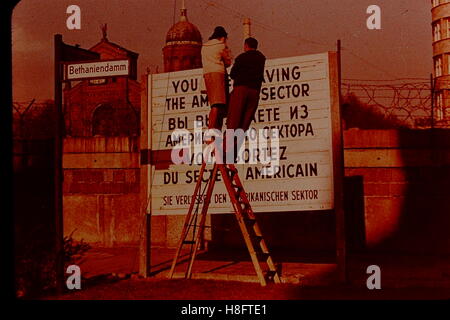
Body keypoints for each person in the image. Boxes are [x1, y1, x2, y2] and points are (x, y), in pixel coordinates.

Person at [226, 37, 266, 162]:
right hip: (254, 92)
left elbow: (232, 74)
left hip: (241, 90)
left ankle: (227, 152)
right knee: (244, 124)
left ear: (246, 45)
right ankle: (234, 153)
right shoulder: (261, 58)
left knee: (233, 121)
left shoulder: (241, 58)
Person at [201, 26, 232, 132]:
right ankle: (211, 130)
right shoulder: (221, 46)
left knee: (215, 104)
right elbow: (228, 62)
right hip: (218, 75)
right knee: (217, 104)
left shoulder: (204, 46)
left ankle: (214, 129)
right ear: (223, 37)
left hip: (207, 74)